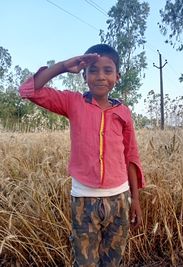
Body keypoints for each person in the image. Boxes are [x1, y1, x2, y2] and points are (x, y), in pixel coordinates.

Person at [19, 44, 145, 267]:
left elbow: (131, 155)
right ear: (84, 74)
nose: (100, 76)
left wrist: (135, 199)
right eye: (93, 70)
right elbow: (30, 90)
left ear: (117, 76)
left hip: (120, 199)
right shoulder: (73, 102)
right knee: (85, 262)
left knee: (112, 261)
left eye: (108, 70)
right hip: (83, 199)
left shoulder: (123, 112)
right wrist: (63, 67)